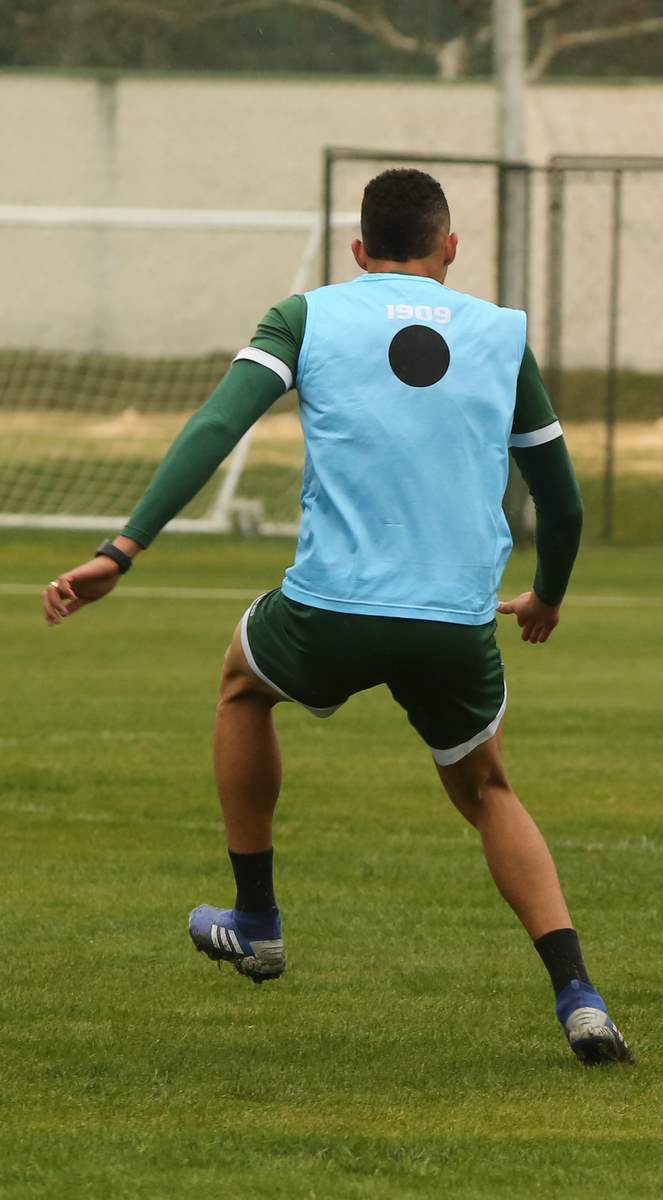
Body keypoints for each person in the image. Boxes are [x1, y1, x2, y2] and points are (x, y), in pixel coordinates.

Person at [39, 168, 633, 1066]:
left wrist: (124, 549)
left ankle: (258, 919)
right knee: (489, 791)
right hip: (453, 623)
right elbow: (566, 503)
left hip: (329, 611)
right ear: (451, 248)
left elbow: (215, 425)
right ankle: (579, 995)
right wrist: (547, 594)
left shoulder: (307, 315)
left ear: (358, 252)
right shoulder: (501, 334)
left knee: (243, 685)